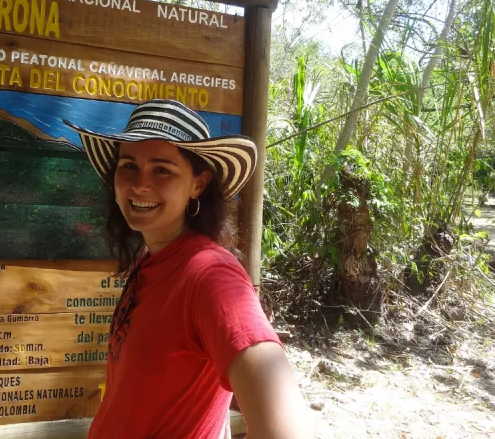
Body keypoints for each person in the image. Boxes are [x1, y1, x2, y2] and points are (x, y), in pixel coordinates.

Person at [65, 100, 311, 438]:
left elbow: (286, 428)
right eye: (129, 166)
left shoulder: (211, 275)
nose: (139, 185)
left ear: (198, 183)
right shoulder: (151, 259)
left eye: (162, 169)